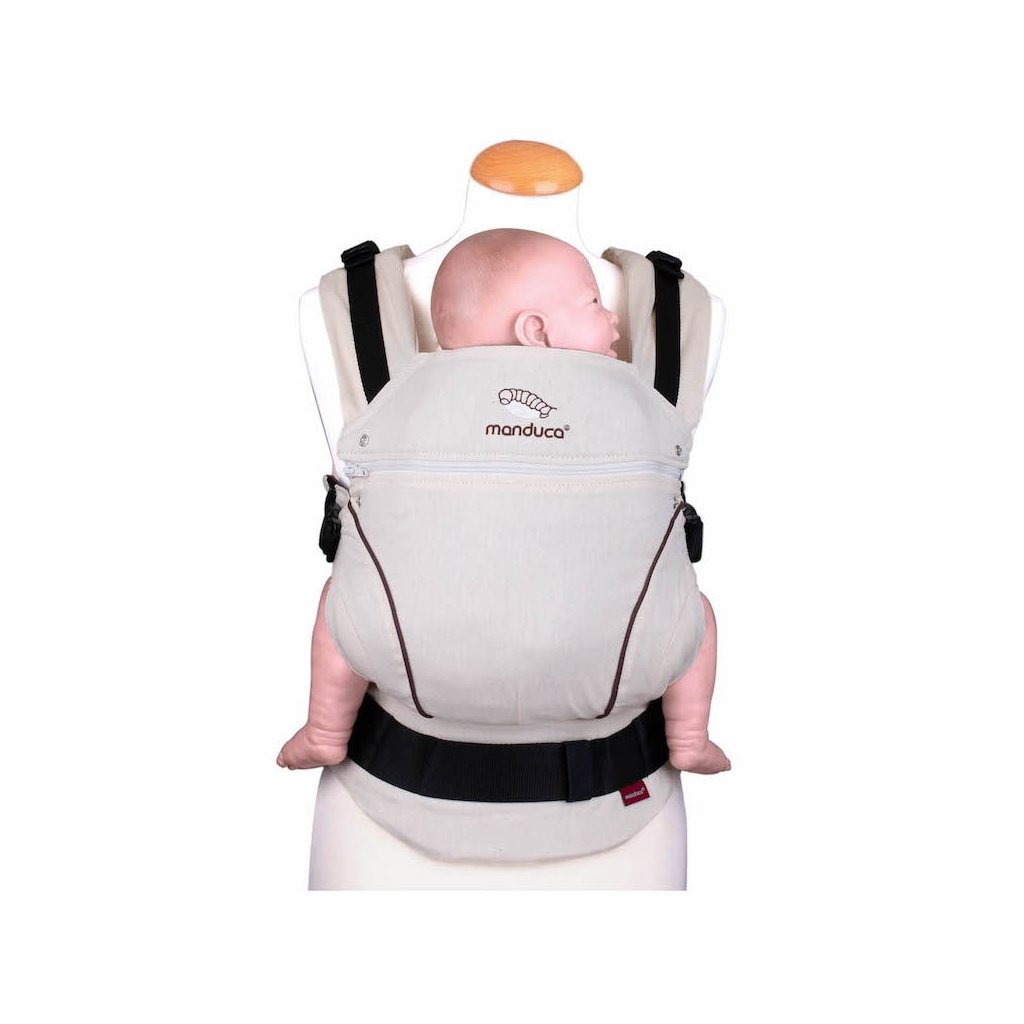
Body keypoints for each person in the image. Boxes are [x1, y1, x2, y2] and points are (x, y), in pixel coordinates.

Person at [277, 228, 729, 777]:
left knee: (340, 601)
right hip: (615, 675)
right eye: (594, 303)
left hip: (417, 662)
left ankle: (326, 730)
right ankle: (690, 736)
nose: (614, 319)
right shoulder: (671, 347)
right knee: (695, 613)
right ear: (535, 331)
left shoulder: (390, 381)